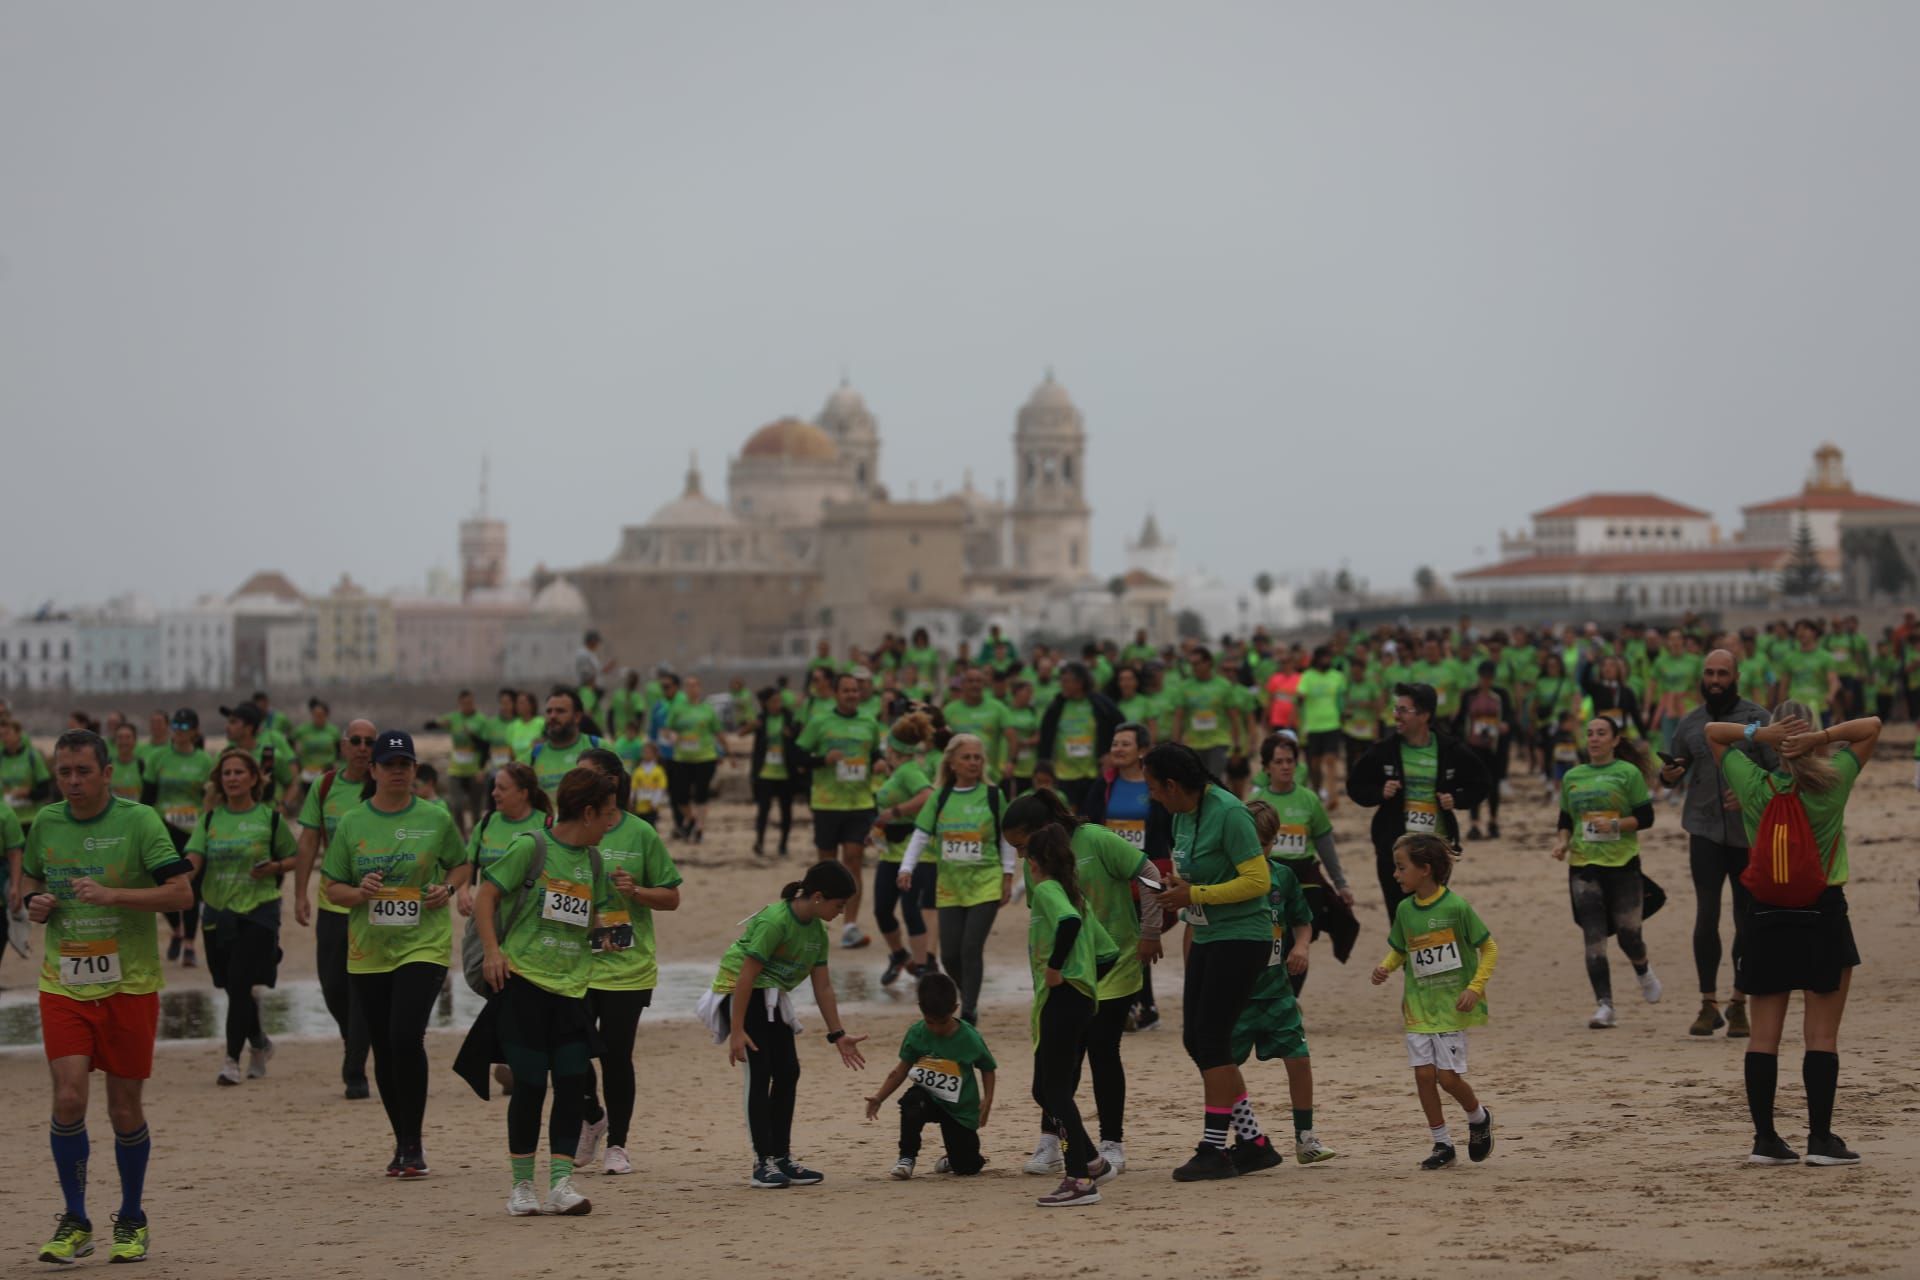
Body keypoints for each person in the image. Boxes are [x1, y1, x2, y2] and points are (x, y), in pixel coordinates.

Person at [24, 730, 197, 1265]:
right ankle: (76, 1219)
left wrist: (114, 894)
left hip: (130, 982)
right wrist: (35, 901)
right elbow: (30, 879)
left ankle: (131, 1217)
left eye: (82, 771)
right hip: (65, 981)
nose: (72, 782)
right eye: (64, 772)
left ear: (106, 774)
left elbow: (182, 892)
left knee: (124, 1109)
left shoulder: (140, 822)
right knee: (69, 1098)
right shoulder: (46, 824)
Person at [1707, 705, 1879, 1167]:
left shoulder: (1753, 784)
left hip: (1765, 917)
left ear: (1776, 743)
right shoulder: (1835, 779)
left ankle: (1765, 1139)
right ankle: (1820, 1140)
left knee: (1763, 1037)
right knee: (1821, 1036)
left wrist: (1760, 734)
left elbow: (1712, 733)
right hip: (1822, 913)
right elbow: (1873, 727)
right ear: (1814, 742)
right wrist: (1821, 736)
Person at [470, 767, 621, 1216]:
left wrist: (607, 936)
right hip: (524, 984)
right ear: (588, 812)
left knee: (573, 1084)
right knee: (531, 1086)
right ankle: (521, 1189)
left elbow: (591, 919)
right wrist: (494, 952)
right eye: (608, 815)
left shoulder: (594, 863)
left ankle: (560, 1184)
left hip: (572, 989)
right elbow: (485, 897)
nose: (611, 824)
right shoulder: (531, 847)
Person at [320, 730, 468, 1177]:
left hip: (423, 944)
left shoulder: (436, 817)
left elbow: (461, 865)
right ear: (374, 770)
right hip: (369, 949)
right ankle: (402, 1141)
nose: (399, 772)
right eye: (391, 765)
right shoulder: (352, 823)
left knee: (406, 1036)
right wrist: (359, 891)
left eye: (406, 765)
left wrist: (448, 887)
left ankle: (415, 1142)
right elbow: (333, 886)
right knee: (383, 1047)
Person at [1004, 789, 1159, 1178]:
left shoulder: (1098, 840)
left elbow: (1150, 873)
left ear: (1043, 830)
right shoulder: (1036, 861)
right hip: (1069, 972)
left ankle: (1110, 1144)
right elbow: (1048, 920)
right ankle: (1053, 1142)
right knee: (1061, 1061)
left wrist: (1151, 931)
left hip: (1114, 962)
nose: (1021, 857)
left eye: (1022, 846)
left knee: (1103, 1051)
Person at [1147, 743, 1282, 1181]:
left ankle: (1214, 1146)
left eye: (1153, 787)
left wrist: (1195, 894)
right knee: (1197, 1039)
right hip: (1208, 932)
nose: (1151, 796)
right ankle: (1254, 1142)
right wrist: (1180, 884)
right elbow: (1203, 873)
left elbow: (1258, 880)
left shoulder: (1229, 812)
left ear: (1172, 785)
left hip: (1244, 936)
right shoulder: (1181, 814)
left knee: (1212, 1040)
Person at [699, 861, 869, 1190]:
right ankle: (763, 1163)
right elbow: (745, 976)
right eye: (839, 905)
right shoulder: (776, 921)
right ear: (818, 897)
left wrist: (838, 1035)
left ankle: (782, 1157)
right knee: (760, 1073)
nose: (841, 911)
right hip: (742, 996)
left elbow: (823, 987)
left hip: (773, 997)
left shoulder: (817, 932)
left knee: (789, 1071)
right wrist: (736, 1031)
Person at [572, 748, 682, 1176]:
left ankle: (617, 1143)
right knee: (572, 1051)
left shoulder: (640, 834)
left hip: (626, 965)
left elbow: (671, 897)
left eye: (585, 776)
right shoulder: (567, 831)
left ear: (612, 784)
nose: (575, 783)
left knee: (617, 1056)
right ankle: (591, 1115)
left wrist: (636, 892)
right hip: (574, 963)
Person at [1371, 833, 1497, 1171]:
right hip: (1417, 1008)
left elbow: (1489, 948)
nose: (1395, 875)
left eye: (1401, 868)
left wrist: (1474, 987)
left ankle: (1479, 1117)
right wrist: (1385, 967)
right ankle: (1442, 1143)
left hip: (1451, 1008)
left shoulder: (1455, 907)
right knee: (1424, 1076)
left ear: (1425, 870)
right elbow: (1401, 948)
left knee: (1448, 1079)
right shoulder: (1404, 910)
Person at [1663, 648, 1770, 1039]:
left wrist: (1750, 796)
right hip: (1703, 831)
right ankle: (1708, 1004)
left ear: (1737, 676)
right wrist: (1669, 773)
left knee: (1747, 916)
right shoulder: (1690, 723)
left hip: (1748, 836)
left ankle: (1739, 1003)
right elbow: (1673, 771)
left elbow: (1780, 775)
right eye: (1709, 673)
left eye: (1722, 673)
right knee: (1706, 915)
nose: (1715, 680)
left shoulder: (1758, 719)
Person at [1019, 823, 1121, 1206]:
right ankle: (1092, 1161)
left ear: (1034, 862)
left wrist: (1058, 969)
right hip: (1076, 1002)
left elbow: (1069, 924)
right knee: (1044, 1089)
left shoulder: (1048, 891)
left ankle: (1078, 1178)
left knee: (1055, 1092)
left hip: (1063, 1000)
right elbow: (1108, 953)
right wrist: (1088, 984)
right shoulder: (1076, 895)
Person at [1230, 799, 1336, 1165]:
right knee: (1224, 1065)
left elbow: (1302, 922)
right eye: (1248, 844)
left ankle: (1305, 1137)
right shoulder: (1227, 877)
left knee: (1299, 1059)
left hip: (1277, 992)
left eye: (1262, 845)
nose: (1255, 852)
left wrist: (1302, 946)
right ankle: (1247, 1134)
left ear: (1274, 841)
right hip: (1238, 994)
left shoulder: (1283, 877)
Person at [188, 748, 296, 1085]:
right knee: (230, 984)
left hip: (258, 910)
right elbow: (192, 861)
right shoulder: (208, 820)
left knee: (239, 983)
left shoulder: (269, 818)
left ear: (253, 778)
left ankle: (231, 1061)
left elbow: (294, 857)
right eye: (226, 773)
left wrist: (275, 868)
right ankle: (260, 1043)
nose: (232, 778)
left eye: (238, 772)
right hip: (218, 913)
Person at [897, 734, 1017, 1025]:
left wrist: (1007, 874)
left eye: (978, 757)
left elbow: (1006, 836)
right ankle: (968, 993)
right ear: (951, 763)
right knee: (949, 954)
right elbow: (921, 834)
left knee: (970, 947)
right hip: (950, 886)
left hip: (985, 882)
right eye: (967, 757)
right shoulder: (940, 797)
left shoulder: (992, 795)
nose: (973, 762)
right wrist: (906, 867)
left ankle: (969, 1010)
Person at [1552, 717, 1663, 1029]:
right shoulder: (1573, 776)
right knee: (1594, 937)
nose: (1594, 739)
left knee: (1629, 935)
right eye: (1589, 734)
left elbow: (1646, 817)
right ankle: (1605, 1005)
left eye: (1601, 733)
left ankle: (1643, 970)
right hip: (1584, 866)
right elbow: (1564, 819)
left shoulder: (1627, 774)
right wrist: (1561, 844)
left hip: (1623, 864)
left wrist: (1614, 825)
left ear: (1615, 740)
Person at [1346, 683, 1491, 920]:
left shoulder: (1449, 749)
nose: (1396, 716)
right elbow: (1355, 786)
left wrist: (1456, 798)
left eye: (1404, 710)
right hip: (1394, 849)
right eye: (1396, 709)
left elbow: (1482, 782)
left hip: (1436, 849)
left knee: (1432, 917)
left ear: (1424, 715)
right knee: (1401, 918)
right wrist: (1380, 792)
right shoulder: (1384, 750)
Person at [292, 717, 376, 1097]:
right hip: (332, 902)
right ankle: (354, 1038)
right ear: (343, 747)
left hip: (374, 909)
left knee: (362, 989)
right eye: (355, 740)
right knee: (332, 986)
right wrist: (299, 893)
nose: (362, 747)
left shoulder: (384, 787)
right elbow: (308, 842)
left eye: (369, 741)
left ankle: (354, 1068)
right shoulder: (325, 787)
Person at [1077, 722, 1173, 1031]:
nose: (1117, 749)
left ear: (1142, 750)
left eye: (1125, 744)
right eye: (1115, 743)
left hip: (1147, 869)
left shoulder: (1155, 786)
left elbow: (1172, 827)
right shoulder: (1103, 784)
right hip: (1111, 874)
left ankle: (1144, 1004)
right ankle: (1127, 1004)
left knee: (1141, 935)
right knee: (1115, 937)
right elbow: (1085, 824)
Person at [1246, 732, 1356, 988]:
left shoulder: (1309, 799)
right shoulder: (1256, 803)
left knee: (1301, 942)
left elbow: (1325, 845)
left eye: (1290, 761)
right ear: (1266, 767)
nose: (1285, 766)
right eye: (1279, 761)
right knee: (1274, 940)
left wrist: (1341, 884)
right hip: (1267, 878)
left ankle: (1290, 997)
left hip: (1305, 878)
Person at [864, 971, 996, 1180]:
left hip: (959, 1108)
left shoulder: (969, 1038)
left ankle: (953, 1158)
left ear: (954, 1009)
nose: (935, 1028)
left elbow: (987, 1068)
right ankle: (906, 1157)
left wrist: (987, 1099)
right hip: (929, 1098)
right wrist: (879, 1097)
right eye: (929, 1022)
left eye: (942, 1022)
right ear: (920, 1010)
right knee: (911, 1102)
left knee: (968, 1167)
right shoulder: (916, 1033)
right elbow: (900, 1071)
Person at [795, 673, 886, 949]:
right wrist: (823, 759)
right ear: (835, 693)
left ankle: (850, 925)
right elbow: (797, 756)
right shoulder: (820, 721)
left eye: (855, 691)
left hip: (859, 803)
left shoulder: (869, 721)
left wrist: (880, 763)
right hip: (827, 803)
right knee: (826, 865)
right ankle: (817, 921)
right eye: (846, 690)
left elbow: (876, 754)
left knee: (854, 860)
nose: (851, 695)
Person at [141, 709, 212, 969]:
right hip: (164, 828)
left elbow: (211, 800)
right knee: (159, 882)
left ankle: (190, 945)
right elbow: (147, 798)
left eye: (185, 725)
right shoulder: (157, 757)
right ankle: (178, 928)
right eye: (176, 724)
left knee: (190, 887)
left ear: (194, 731)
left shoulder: (205, 761)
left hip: (193, 831)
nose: (179, 729)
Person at [873, 712, 938, 984]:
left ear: (892, 748)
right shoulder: (899, 771)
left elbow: (928, 795)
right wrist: (878, 827)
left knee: (911, 910)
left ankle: (922, 965)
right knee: (882, 910)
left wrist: (897, 810)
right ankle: (899, 955)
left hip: (913, 854)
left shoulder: (910, 770)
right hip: (890, 852)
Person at [1033, 662, 1122, 810]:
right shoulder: (1057, 705)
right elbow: (1046, 736)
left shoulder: (1100, 703)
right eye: (1061, 681)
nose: (1062, 685)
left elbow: (1121, 726)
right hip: (1062, 775)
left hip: (1092, 774)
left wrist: (1109, 754)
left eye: (1066, 681)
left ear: (1080, 683)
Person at [1451, 661, 1516, 840]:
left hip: (1494, 747)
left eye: (1489, 677)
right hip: (1473, 746)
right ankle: (1474, 823)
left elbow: (1510, 715)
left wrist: (1506, 725)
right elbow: (1460, 719)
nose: (1486, 680)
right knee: (1474, 784)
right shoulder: (1470, 695)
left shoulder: (1501, 695)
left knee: (1493, 784)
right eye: (1483, 677)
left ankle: (1493, 821)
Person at [663, 674, 723, 843]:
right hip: (682, 757)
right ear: (685, 689)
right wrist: (672, 736)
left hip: (705, 757)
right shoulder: (677, 708)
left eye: (695, 685)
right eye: (688, 686)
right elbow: (666, 730)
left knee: (701, 794)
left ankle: (700, 829)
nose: (692, 689)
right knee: (680, 795)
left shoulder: (707, 709)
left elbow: (717, 732)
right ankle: (692, 818)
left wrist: (727, 752)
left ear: (700, 688)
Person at [1173, 647, 1246, 778]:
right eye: (1191, 664)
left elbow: (1234, 718)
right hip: (1193, 744)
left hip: (1218, 743)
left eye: (1197, 664)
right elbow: (1178, 718)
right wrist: (1175, 746)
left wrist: (1237, 747)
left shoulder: (1224, 686)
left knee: (1213, 783)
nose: (1193, 667)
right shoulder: (1184, 687)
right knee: (1195, 784)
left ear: (1208, 663)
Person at [427, 689, 491, 836]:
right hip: (456, 770)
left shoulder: (481, 721)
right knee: (456, 805)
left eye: (469, 703)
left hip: (474, 770)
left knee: (476, 809)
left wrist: (482, 768)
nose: (466, 706)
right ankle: (461, 835)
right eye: (463, 703)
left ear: (473, 703)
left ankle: (476, 837)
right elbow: (430, 726)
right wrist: (437, 723)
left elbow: (486, 747)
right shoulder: (454, 718)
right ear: (459, 704)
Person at [530, 688, 602, 807]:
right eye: (549, 711)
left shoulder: (599, 748)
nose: (552, 716)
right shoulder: (531, 757)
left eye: (560, 711)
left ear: (577, 717)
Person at [745, 686, 795, 858]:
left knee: (786, 811)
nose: (777, 705)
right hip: (765, 773)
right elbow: (741, 732)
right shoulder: (761, 719)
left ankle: (783, 844)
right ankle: (759, 842)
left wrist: (791, 735)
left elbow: (800, 738)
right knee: (763, 810)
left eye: (779, 701)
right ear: (765, 704)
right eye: (773, 701)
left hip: (785, 773)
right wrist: (752, 726)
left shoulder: (788, 718)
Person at [1296, 646, 1348, 808]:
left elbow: (1342, 698)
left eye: (1329, 658)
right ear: (1317, 659)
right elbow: (1300, 696)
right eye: (1324, 658)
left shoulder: (1337, 676)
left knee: (1331, 761)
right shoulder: (1307, 676)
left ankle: (1333, 796)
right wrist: (1300, 698)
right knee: (1314, 764)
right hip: (1313, 726)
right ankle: (1317, 794)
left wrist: (1344, 713)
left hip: (1332, 724)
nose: (1327, 661)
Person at [629, 741, 668, 828]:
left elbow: (661, 788)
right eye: (644, 752)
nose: (645, 754)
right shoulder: (638, 770)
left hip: (652, 806)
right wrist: (631, 800)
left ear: (655, 754)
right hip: (640, 806)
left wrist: (655, 802)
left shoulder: (659, 771)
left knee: (651, 827)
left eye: (648, 752)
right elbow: (633, 787)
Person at [108, 722, 146, 803]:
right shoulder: (107, 765)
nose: (124, 741)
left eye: (128, 737)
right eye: (120, 737)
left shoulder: (141, 765)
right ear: (115, 741)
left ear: (135, 741)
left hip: (136, 814)